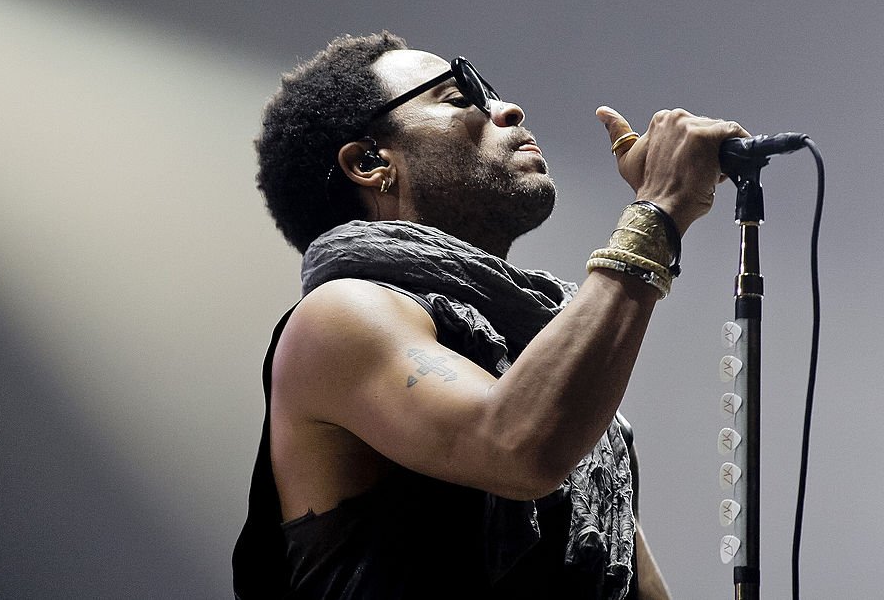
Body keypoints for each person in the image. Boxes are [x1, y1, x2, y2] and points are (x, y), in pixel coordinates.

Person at [233, 31, 749, 599]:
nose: (508, 109)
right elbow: (515, 446)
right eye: (459, 98)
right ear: (370, 161)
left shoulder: (538, 349)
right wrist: (659, 208)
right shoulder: (340, 315)